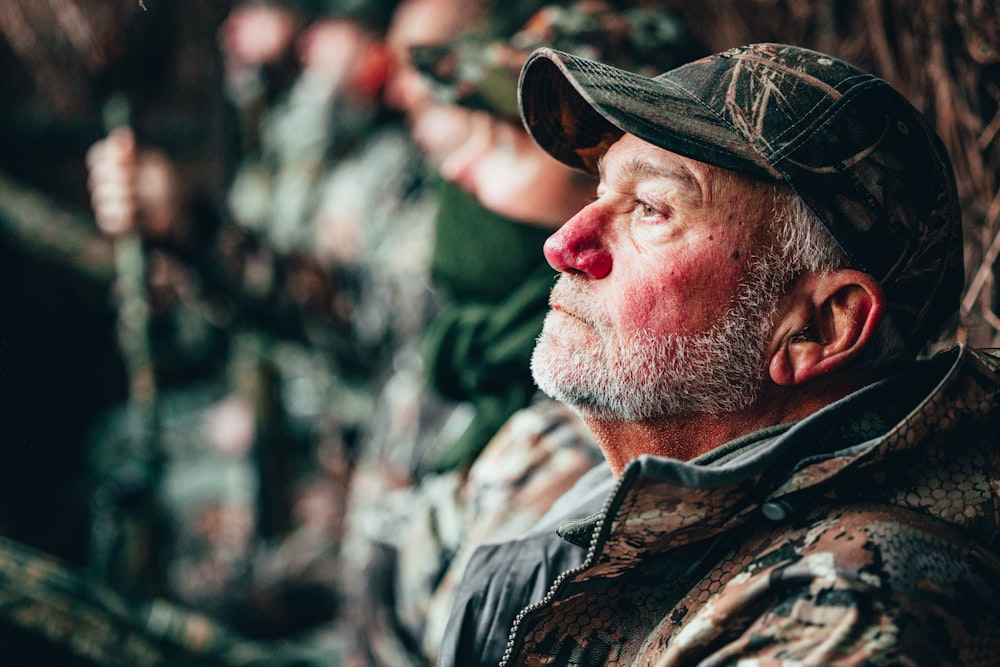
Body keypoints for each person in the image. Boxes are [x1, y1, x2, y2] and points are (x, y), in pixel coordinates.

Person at [439, 42, 1000, 666]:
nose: (564, 245)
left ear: (819, 328)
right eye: (598, 192)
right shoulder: (626, 504)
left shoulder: (849, 612)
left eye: (651, 210)